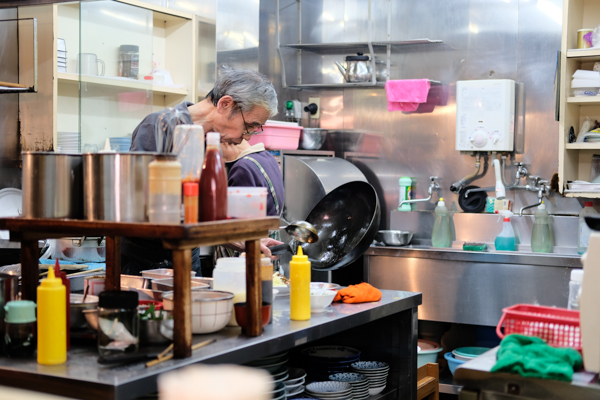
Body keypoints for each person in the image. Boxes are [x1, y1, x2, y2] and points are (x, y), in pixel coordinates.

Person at [121, 68, 282, 275]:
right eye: (249, 126)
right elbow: (146, 204)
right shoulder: (159, 126)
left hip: (187, 258)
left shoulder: (211, 142)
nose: (248, 137)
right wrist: (227, 236)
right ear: (225, 104)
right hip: (144, 262)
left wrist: (243, 238)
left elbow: (200, 208)